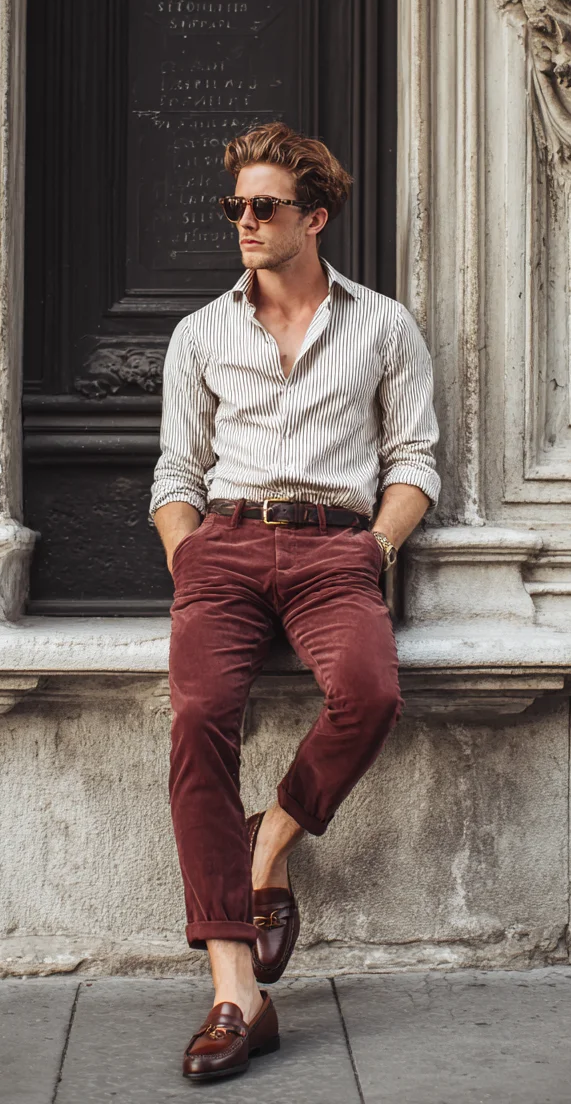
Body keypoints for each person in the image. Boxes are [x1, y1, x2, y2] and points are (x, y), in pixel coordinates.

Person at [150, 122, 440, 1082]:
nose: (246, 221)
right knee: (197, 719)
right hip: (225, 547)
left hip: (334, 550)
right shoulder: (200, 332)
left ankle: (266, 842)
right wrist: (189, 557)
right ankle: (237, 995)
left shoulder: (384, 326)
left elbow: (416, 463)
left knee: (371, 693)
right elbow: (175, 469)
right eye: (236, 206)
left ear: (314, 217)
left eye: (265, 206)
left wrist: (376, 547)